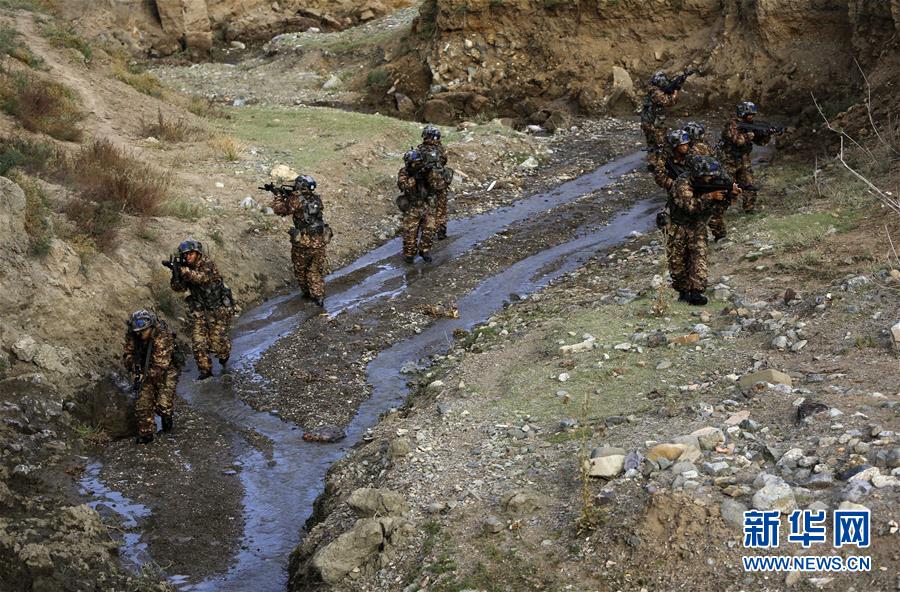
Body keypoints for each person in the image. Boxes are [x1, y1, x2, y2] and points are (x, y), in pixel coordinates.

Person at [667, 156, 741, 305]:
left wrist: (730, 195)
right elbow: (690, 207)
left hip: (698, 225)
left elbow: (718, 209)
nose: (709, 180)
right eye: (706, 177)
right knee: (677, 263)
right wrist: (710, 196)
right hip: (678, 226)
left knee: (699, 257)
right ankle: (683, 291)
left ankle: (696, 292)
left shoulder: (713, 181)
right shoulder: (682, 183)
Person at [166, 238, 234, 380]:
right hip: (201, 312)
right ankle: (205, 371)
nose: (187, 257)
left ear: (197, 253)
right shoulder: (186, 268)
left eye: (190, 253)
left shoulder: (207, 264)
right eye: (185, 255)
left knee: (218, 345)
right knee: (198, 343)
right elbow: (179, 288)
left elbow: (200, 278)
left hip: (219, 309)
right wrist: (176, 274)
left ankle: (224, 353)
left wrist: (182, 270)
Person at [270, 175, 332, 307]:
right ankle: (318, 295)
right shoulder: (317, 199)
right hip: (320, 241)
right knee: (315, 269)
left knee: (300, 268)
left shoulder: (296, 200)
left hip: (303, 243)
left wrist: (278, 196)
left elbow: (280, 210)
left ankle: (308, 293)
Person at [123, 309, 183, 444]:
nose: (139, 334)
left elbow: (160, 365)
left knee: (163, 405)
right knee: (142, 403)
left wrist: (145, 375)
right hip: (144, 369)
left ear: (150, 327)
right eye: (136, 331)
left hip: (167, 369)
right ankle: (146, 434)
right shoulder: (133, 335)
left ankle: (167, 421)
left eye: (142, 331)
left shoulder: (162, 336)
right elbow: (128, 354)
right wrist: (135, 369)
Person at [719, 101, 771, 213]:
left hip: (743, 159)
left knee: (749, 183)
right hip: (729, 159)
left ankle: (749, 207)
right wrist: (750, 135)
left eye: (753, 114)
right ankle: (726, 208)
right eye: (749, 114)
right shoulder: (732, 125)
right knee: (728, 184)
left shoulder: (751, 126)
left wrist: (766, 134)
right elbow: (738, 140)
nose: (751, 116)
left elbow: (761, 143)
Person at [397, 149, 435, 263]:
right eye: (415, 163)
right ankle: (409, 254)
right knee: (410, 234)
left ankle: (425, 250)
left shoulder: (425, 172)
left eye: (419, 162)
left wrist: (428, 175)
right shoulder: (404, 172)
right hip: (412, 207)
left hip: (425, 205)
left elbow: (435, 184)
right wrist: (415, 177)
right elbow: (403, 186)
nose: (417, 165)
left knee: (430, 229)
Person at [416, 125, 453, 239]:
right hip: (440, 183)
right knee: (441, 208)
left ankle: (427, 231)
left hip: (426, 184)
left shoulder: (420, 150)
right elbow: (444, 161)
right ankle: (441, 231)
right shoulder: (441, 149)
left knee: (427, 207)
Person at [640, 71, 681, 171]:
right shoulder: (656, 92)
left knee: (651, 144)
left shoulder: (651, 90)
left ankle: (652, 163)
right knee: (661, 145)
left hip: (647, 122)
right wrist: (675, 93)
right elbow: (668, 102)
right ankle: (659, 166)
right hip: (654, 123)